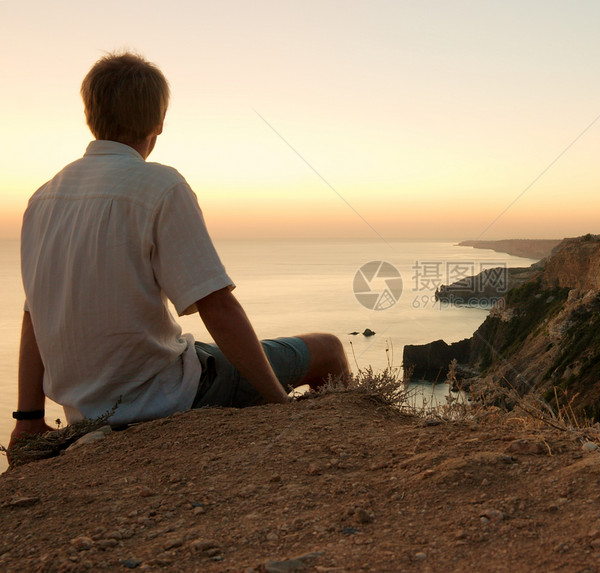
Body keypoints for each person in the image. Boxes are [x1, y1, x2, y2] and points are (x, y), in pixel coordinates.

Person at [9, 52, 349, 449]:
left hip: (89, 411)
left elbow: (34, 314)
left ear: (90, 115)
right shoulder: (160, 186)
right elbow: (217, 308)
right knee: (328, 349)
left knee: (196, 349)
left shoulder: (43, 199)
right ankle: (334, 448)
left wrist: (28, 419)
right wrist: (279, 403)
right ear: (158, 122)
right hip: (169, 396)